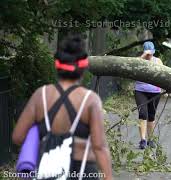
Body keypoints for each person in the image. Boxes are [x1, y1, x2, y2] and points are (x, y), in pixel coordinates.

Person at [12, 35, 113, 180]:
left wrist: (45, 142)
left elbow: (18, 137)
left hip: (47, 170)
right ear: (83, 68)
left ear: (57, 66)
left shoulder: (41, 96)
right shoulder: (90, 100)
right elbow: (99, 147)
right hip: (83, 172)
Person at [135, 41, 163, 149]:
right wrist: (142, 57)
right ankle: (143, 139)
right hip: (140, 90)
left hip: (155, 92)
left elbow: (164, 75)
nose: (149, 55)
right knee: (142, 113)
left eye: (150, 53)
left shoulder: (158, 61)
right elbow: (133, 64)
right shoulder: (139, 61)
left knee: (151, 116)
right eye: (147, 53)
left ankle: (150, 139)